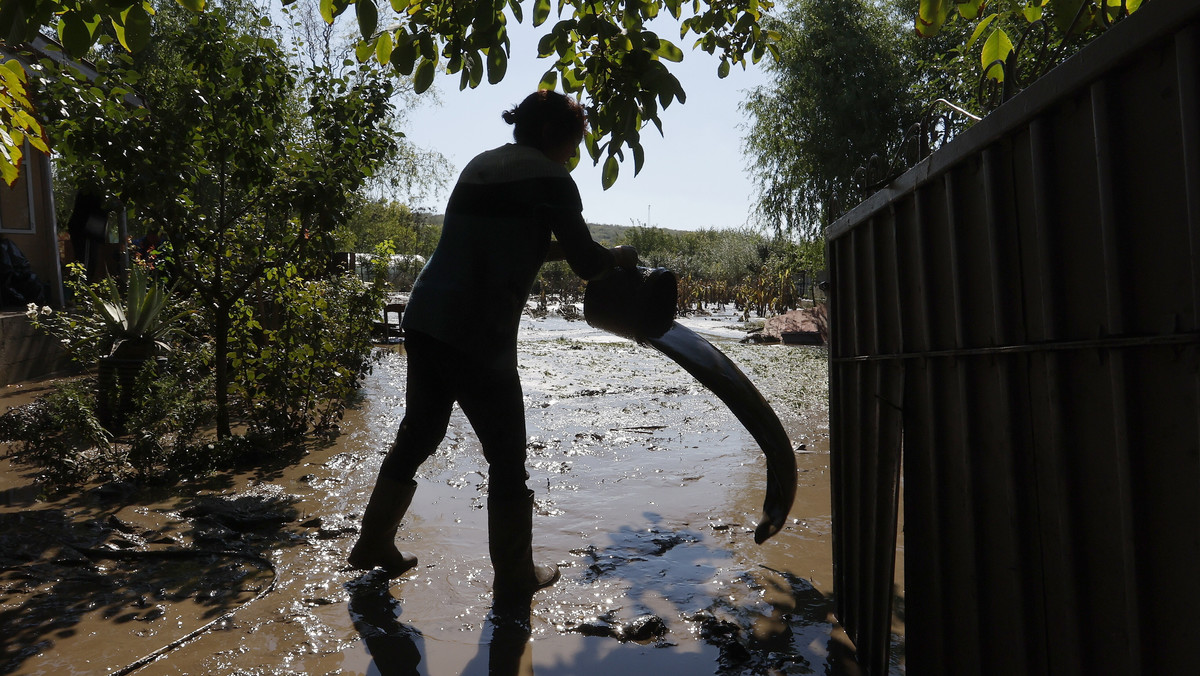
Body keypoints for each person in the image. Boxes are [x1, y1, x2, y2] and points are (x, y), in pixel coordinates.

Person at [348, 90, 638, 607]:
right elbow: (585, 263)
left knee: (420, 431)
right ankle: (514, 574)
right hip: (479, 332)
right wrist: (616, 257)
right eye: (573, 143)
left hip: (427, 316)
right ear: (551, 135)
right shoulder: (553, 180)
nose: (574, 155)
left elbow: (510, 240)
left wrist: (588, 254)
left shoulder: (479, 167)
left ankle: (373, 541)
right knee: (507, 458)